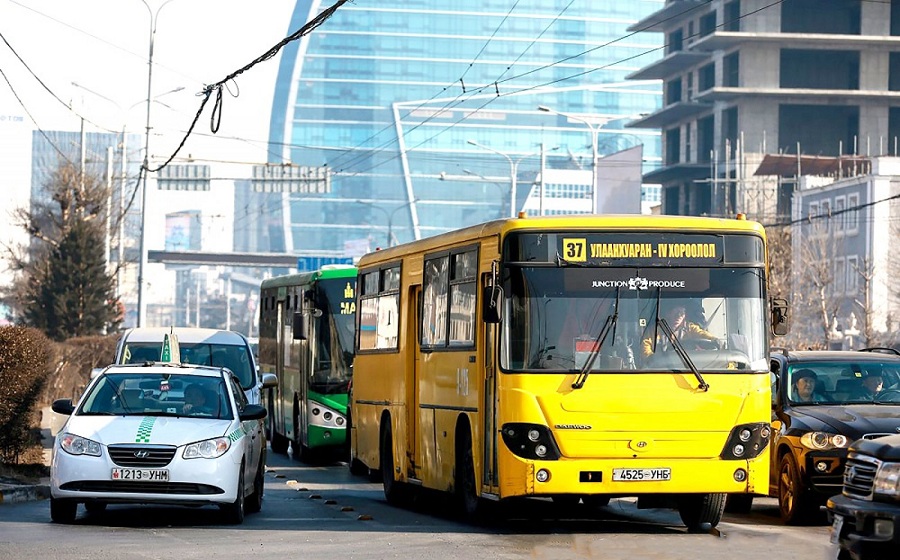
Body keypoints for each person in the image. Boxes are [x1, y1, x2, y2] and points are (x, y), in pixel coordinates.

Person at [642, 303, 718, 358]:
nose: (678, 316)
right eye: (675, 312)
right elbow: (645, 347)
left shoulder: (689, 328)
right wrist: (652, 359)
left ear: (685, 316)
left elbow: (701, 333)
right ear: (668, 314)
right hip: (661, 368)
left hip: (687, 366)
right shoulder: (654, 330)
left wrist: (714, 339)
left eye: (681, 313)